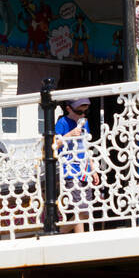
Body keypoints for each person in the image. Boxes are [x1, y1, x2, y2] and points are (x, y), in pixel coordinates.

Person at [54, 96, 99, 233]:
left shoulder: (84, 123)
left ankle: (78, 237)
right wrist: (70, 135)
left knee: (84, 209)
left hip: (84, 170)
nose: (83, 114)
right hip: (70, 170)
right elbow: (54, 145)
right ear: (68, 108)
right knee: (82, 210)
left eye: (86, 111)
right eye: (79, 112)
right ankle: (59, 232)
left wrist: (93, 169)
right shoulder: (62, 122)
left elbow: (86, 147)